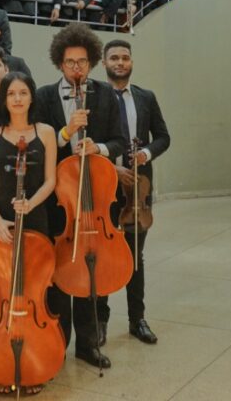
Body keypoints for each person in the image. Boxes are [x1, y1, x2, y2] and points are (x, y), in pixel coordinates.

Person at [34, 24, 125, 369]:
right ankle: (58, 343)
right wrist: (65, 133)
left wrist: (98, 147)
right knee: (59, 277)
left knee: (91, 277)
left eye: (82, 62)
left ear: (92, 62)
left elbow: (119, 140)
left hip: (94, 201)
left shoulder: (106, 95)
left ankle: (88, 346)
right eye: (70, 62)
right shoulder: (44, 96)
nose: (76, 68)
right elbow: (39, 145)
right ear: (60, 63)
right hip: (60, 203)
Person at [0, 70, 57, 394]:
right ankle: (0, 363)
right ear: (4, 99)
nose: (18, 99)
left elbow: (50, 180)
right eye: (11, 94)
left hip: (34, 219)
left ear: (32, 96)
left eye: (23, 92)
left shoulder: (46, 132)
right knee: (0, 289)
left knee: (33, 286)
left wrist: (30, 204)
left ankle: (36, 362)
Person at [97, 40, 170, 347]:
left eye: (125, 57)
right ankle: (100, 320)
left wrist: (146, 154)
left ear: (131, 62)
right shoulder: (94, 97)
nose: (120, 62)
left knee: (134, 256)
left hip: (139, 191)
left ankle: (136, 319)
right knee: (102, 256)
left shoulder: (146, 97)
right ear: (104, 63)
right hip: (104, 187)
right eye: (114, 57)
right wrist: (112, 168)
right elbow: (89, 142)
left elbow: (163, 137)